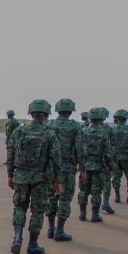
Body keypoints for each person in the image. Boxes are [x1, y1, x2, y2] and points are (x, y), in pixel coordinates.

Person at [7, 99, 61, 254]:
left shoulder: (19, 131)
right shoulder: (49, 133)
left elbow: (10, 153)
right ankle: (33, 244)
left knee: (19, 207)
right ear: (46, 114)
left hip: (21, 176)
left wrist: (10, 175)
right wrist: (58, 180)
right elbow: (56, 159)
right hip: (40, 178)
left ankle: (17, 237)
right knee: (37, 211)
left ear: (31, 113)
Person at [44, 99, 85, 242]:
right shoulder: (75, 126)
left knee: (51, 197)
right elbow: (79, 148)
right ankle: (59, 230)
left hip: (51, 169)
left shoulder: (49, 125)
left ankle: (50, 229)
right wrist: (83, 169)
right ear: (71, 110)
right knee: (65, 199)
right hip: (67, 169)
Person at [78, 107, 115, 222]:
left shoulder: (83, 131)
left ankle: (82, 213)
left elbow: (78, 150)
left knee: (83, 191)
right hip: (99, 167)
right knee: (96, 192)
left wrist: (80, 166)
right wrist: (111, 166)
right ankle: (95, 215)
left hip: (85, 166)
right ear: (101, 118)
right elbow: (108, 152)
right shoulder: (104, 133)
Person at [100, 108, 117, 214]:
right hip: (104, 162)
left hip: (88, 164)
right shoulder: (108, 130)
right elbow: (112, 147)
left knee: (87, 188)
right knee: (106, 183)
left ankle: (83, 213)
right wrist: (112, 164)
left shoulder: (86, 129)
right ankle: (105, 202)